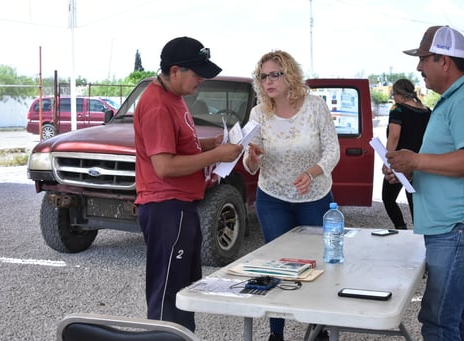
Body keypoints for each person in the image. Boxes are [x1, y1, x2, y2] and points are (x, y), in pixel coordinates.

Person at [385, 25, 464, 340]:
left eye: (424, 59)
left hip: (459, 229)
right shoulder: (456, 98)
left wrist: (416, 160)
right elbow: (452, 159)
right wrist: (409, 169)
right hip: (454, 228)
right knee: (457, 317)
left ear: (444, 61)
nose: (418, 67)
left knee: (438, 322)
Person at [133, 36, 243, 331]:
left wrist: (212, 143)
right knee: (168, 293)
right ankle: (162, 337)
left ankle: (181, 337)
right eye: (196, 73)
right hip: (166, 205)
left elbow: (182, 146)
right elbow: (164, 166)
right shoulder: (157, 104)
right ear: (174, 71)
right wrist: (218, 154)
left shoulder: (174, 97)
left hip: (180, 205)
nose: (202, 79)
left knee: (183, 290)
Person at [243, 50, 340, 341]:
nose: (269, 81)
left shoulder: (315, 106)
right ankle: (276, 332)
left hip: (315, 196)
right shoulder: (259, 113)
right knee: (277, 265)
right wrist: (253, 157)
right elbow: (250, 166)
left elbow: (333, 151)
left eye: (275, 74)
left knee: (315, 263)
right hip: (272, 197)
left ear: (290, 75)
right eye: (263, 76)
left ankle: (318, 329)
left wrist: (312, 172)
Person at [381, 79, 431, 229]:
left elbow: (394, 136)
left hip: (400, 162)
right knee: (415, 201)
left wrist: (387, 159)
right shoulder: (427, 110)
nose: (393, 98)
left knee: (388, 198)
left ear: (400, 95)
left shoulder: (398, 109)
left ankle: (401, 228)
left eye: (394, 94)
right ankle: (419, 232)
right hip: (420, 162)